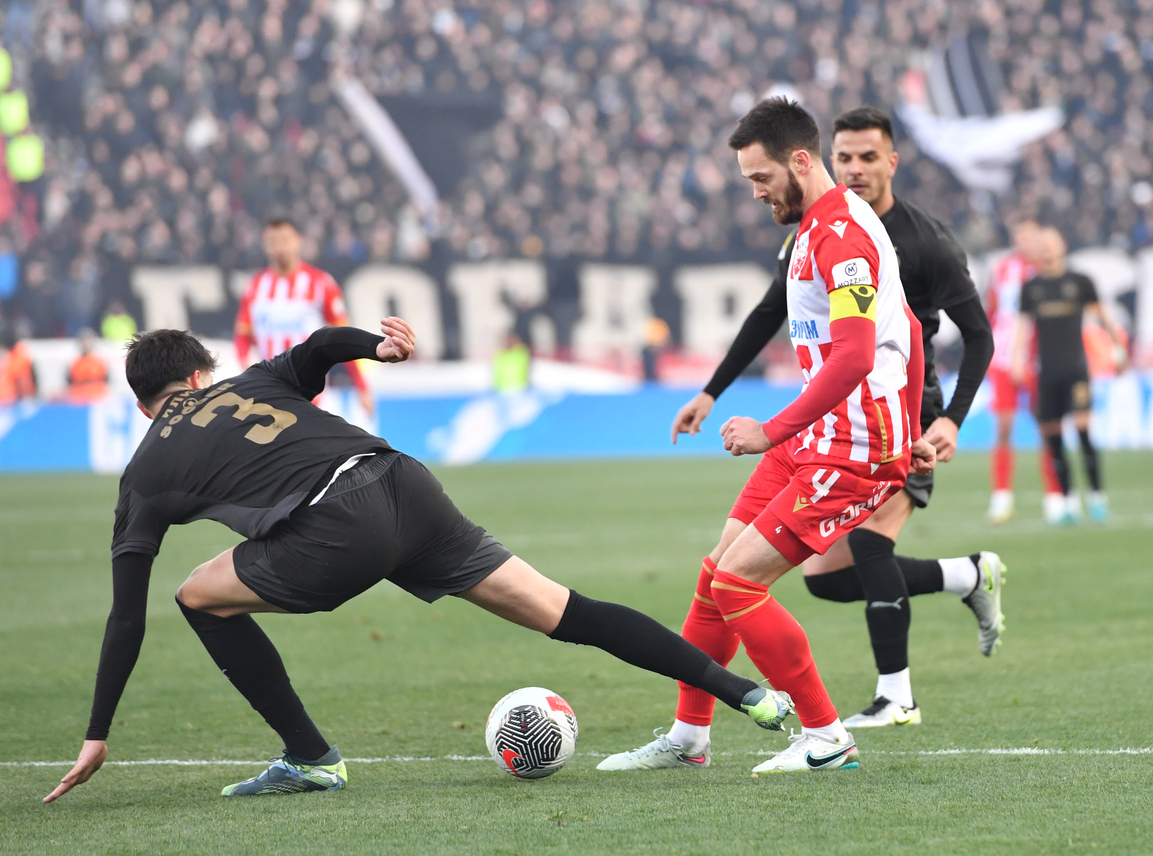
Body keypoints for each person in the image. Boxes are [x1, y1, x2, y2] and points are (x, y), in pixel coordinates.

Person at [43, 318, 795, 803]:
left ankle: (310, 757)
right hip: (404, 484)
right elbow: (321, 345)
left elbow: (124, 614)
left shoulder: (144, 470)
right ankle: (747, 696)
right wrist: (381, 347)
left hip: (336, 528)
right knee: (567, 612)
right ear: (202, 376)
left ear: (143, 405)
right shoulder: (249, 383)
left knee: (195, 594)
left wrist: (98, 729)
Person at [602, 98, 936, 775]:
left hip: (853, 446)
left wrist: (773, 429)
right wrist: (913, 420)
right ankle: (690, 736)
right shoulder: (817, 227)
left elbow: (853, 355)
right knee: (716, 571)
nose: (755, 193)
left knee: (739, 583)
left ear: (800, 161)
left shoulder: (840, 235)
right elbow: (912, 329)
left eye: (760, 178)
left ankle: (827, 736)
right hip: (823, 434)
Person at [1013, 225, 1125, 524]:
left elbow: (1104, 318)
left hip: (1076, 370)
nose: (1047, 249)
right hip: (1046, 373)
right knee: (1053, 440)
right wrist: (1016, 360)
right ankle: (1067, 502)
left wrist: (1118, 350)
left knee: (1084, 432)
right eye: (1042, 244)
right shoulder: (1031, 287)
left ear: (1063, 245)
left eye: (1051, 243)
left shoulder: (1080, 282)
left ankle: (1098, 497)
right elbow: (1023, 328)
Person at [234, 215, 374, 417]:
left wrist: (361, 386)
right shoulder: (254, 287)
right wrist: (247, 377)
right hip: (269, 394)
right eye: (273, 241)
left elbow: (344, 338)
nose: (279, 247)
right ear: (265, 245)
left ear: (299, 240)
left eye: (285, 240)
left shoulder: (321, 283)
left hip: (312, 396)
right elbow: (242, 338)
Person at [986, 218, 1063, 524]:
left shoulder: (1046, 272)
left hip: (1039, 359)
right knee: (1003, 428)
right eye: (1020, 234)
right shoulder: (1003, 268)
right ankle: (1001, 497)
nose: (1025, 240)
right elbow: (993, 311)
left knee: (1048, 428)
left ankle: (1055, 497)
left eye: (1031, 234)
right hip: (1004, 360)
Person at [66, 329, 110, 403]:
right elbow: (69, 381)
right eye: (83, 341)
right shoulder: (75, 363)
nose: (85, 344)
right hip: (77, 398)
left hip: (97, 397)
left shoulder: (99, 362)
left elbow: (106, 380)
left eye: (87, 341)